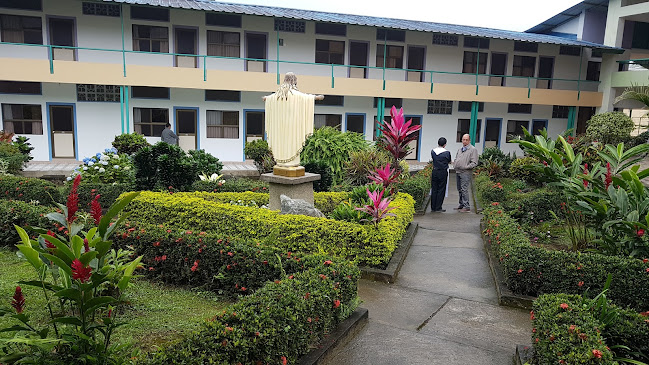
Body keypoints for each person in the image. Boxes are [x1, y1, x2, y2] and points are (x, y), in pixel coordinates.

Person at [454, 133, 478, 213]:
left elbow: (474, 162)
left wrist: (466, 167)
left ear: (469, 140)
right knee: (459, 189)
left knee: (464, 189)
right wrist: (455, 164)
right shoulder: (460, 149)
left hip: (465, 172)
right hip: (458, 171)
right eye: (463, 139)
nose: (464, 141)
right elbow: (457, 158)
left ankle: (467, 206)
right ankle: (461, 205)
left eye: (466, 140)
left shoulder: (473, 149)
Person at [430, 137, 451, 212]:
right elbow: (449, 161)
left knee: (434, 189)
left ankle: (433, 207)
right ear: (445, 144)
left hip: (435, 171)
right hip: (442, 172)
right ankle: (438, 207)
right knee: (441, 189)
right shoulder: (447, 152)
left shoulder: (433, 151)